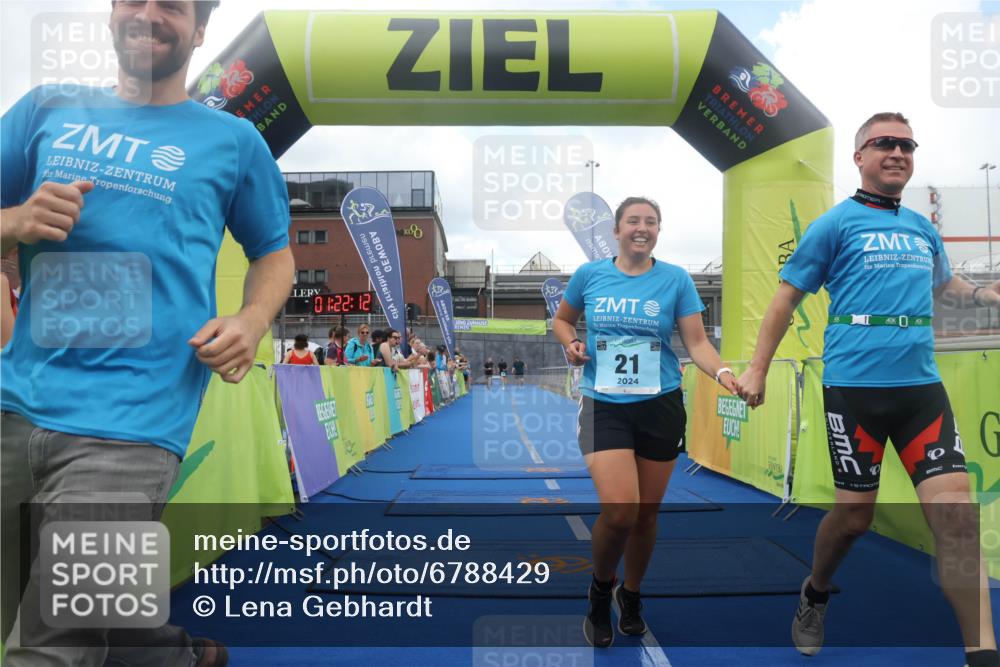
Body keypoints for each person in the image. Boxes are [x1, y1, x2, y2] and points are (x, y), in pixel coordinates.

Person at [0, 1, 295, 665]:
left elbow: (275, 253)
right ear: (110, 15)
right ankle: (176, 655)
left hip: (134, 422)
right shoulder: (45, 108)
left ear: (198, 30)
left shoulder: (233, 141)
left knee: (53, 640)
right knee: (98, 610)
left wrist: (250, 321)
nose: (150, 14)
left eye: (172, 5)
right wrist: (15, 221)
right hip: (14, 403)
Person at [736, 112, 1000, 665]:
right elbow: (785, 300)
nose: (898, 152)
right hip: (854, 391)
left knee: (956, 516)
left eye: (906, 145)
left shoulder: (924, 228)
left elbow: (943, 282)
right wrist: (759, 369)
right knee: (855, 518)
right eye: (884, 144)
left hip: (920, 390)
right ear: (859, 157)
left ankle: (982, 652)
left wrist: (984, 295)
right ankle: (815, 590)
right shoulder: (834, 224)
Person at [553, 196, 740, 648]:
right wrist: (572, 341)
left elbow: (696, 342)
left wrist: (724, 372)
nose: (642, 228)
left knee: (646, 515)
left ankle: (631, 595)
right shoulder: (590, 275)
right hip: (605, 404)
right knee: (620, 511)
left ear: (659, 230)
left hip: (660, 404)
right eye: (633, 221)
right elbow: (561, 319)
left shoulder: (675, 279)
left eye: (651, 222)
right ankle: (600, 590)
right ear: (616, 231)